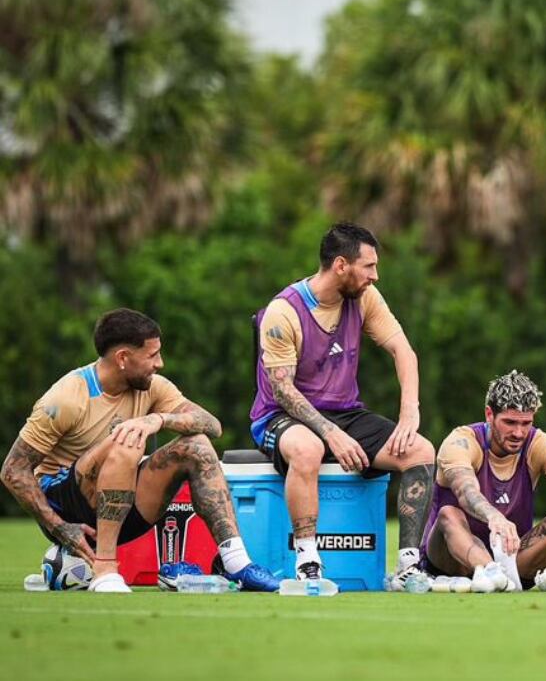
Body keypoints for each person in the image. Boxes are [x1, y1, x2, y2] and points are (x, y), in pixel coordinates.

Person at [1, 309, 280, 593]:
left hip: (122, 508)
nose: (160, 363)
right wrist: (59, 528)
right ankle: (105, 569)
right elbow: (13, 471)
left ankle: (237, 564)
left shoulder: (152, 387)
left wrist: (158, 419)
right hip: (69, 512)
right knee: (127, 438)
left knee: (196, 445)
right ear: (123, 358)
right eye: (152, 355)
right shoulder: (65, 398)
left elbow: (212, 425)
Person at [249, 222, 436, 589]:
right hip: (280, 416)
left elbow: (404, 351)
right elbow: (283, 391)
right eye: (368, 267)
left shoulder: (364, 298)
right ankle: (307, 561)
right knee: (308, 448)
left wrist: (409, 411)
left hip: (345, 412)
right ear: (340, 265)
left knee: (420, 451)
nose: (375, 276)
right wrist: (331, 433)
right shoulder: (282, 312)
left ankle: (408, 566)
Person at [420, 371, 546, 592]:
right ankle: (490, 571)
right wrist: (494, 517)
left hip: (511, 560)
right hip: (450, 563)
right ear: (489, 414)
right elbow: (465, 490)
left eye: (526, 423)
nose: (518, 432)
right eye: (509, 422)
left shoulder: (542, 444)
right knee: (449, 513)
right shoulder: (460, 442)